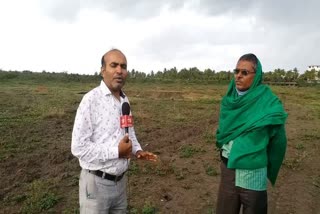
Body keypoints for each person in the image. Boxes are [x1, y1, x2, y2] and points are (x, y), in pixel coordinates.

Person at [71, 49, 157, 213]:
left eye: (123, 66)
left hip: (121, 182)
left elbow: (128, 131)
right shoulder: (90, 100)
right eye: (114, 65)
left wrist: (137, 150)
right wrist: (116, 151)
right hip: (96, 185)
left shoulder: (125, 100)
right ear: (103, 70)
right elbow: (78, 147)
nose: (119, 70)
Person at [215, 53, 287, 214]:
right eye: (236, 71)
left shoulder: (269, 102)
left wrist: (261, 161)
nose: (238, 76)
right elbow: (223, 133)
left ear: (257, 76)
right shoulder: (229, 101)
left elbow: (278, 141)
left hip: (253, 173)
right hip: (228, 169)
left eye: (245, 72)